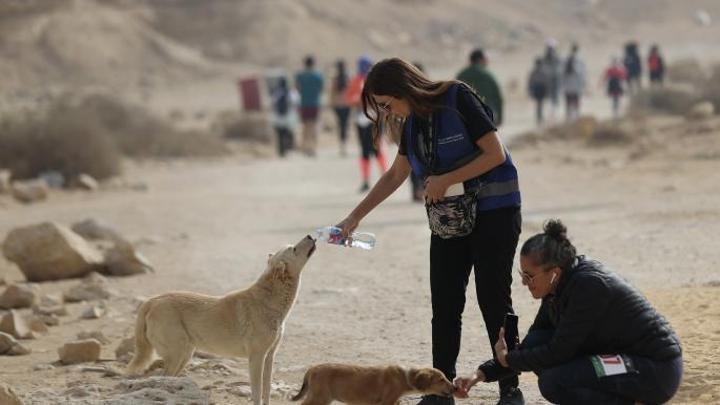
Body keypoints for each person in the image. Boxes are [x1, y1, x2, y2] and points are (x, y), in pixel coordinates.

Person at [335, 58, 523, 405]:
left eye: (387, 104)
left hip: (495, 213)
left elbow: (495, 153)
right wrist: (354, 218)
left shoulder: (457, 97)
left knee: (494, 301)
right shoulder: (411, 125)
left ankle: (510, 389)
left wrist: (448, 179)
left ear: (403, 89)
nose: (387, 112)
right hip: (450, 221)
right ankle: (440, 393)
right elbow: (395, 175)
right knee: (445, 303)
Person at [455, 219, 683, 405]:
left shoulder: (588, 286)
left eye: (530, 276)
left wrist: (509, 359)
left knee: (555, 381)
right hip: (623, 358)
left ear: (554, 272)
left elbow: (559, 352)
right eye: (522, 274)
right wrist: (479, 375)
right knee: (536, 343)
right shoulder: (558, 287)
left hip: (655, 369)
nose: (524, 282)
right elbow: (529, 348)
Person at [345, 55, 387, 192]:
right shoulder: (356, 81)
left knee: (376, 149)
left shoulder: (376, 81)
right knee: (365, 150)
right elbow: (348, 99)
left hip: (374, 118)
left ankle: (385, 177)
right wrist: (358, 100)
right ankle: (366, 180)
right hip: (362, 119)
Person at [457, 48, 503, 126]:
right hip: (487, 116)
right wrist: (500, 118)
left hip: (467, 117)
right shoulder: (488, 75)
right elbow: (498, 98)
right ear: (480, 59)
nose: (487, 61)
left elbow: (455, 96)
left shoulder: (462, 75)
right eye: (485, 59)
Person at [295, 55, 324, 157]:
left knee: (305, 126)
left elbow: (297, 89)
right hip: (315, 104)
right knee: (313, 126)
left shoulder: (300, 75)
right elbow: (321, 89)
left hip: (303, 104)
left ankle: (305, 147)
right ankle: (312, 148)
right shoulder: (318, 75)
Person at [270, 77, 299, 157]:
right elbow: (295, 102)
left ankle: (281, 151)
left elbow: (273, 103)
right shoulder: (291, 92)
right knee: (288, 133)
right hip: (288, 117)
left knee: (280, 135)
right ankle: (288, 149)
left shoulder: (277, 92)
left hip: (278, 117)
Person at [330, 59, 351, 156]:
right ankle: (344, 146)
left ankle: (342, 146)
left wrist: (332, 104)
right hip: (347, 105)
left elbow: (332, 93)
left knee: (340, 125)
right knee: (345, 125)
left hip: (338, 105)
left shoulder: (335, 79)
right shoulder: (347, 78)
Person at [561, 43, 586, 121]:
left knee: (568, 102)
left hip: (567, 84)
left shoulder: (566, 58)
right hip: (576, 84)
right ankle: (576, 117)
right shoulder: (580, 59)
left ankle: (568, 117)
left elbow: (562, 72)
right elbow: (582, 73)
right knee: (576, 102)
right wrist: (584, 83)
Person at [541, 39, 563, 121]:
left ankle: (552, 113)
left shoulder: (548, 57)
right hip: (552, 78)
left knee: (552, 97)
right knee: (552, 97)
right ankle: (552, 113)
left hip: (551, 78)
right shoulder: (550, 57)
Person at [527, 58, 548, 125]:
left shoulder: (535, 71)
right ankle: (539, 116)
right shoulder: (541, 71)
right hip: (539, 88)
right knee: (539, 103)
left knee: (539, 103)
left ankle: (539, 116)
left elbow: (531, 81)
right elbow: (531, 81)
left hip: (539, 88)